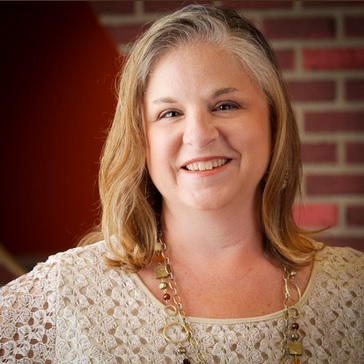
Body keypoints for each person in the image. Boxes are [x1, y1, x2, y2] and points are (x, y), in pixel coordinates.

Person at [1, 4, 363, 363]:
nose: (199, 135)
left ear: (273, 120)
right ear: (141, 139)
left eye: (225, 105)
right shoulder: (69, 292)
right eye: (170, 113)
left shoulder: (354, 290)